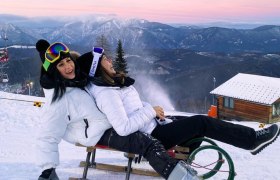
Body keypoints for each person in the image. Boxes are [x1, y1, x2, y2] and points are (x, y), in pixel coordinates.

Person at [35, 40, 199, 180]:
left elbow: (90, 64)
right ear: (54, 71)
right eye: (61, 65)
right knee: (147, 142)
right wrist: (47, 169)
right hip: (95, 133)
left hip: (108, 123)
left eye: (69, 61)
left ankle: (177, 166)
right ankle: (180, 176)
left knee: (151, 133)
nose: (68, 66)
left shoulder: (77, 79)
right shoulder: (58, 99)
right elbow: (47, 136)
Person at [76, 46, 280, 157]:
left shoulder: (110, 87)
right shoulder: (106, 93)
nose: (110, 60)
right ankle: (251, 140)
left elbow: (133, 110)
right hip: (151, 136)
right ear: (97, 68)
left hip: (152, 127)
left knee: (190, 123)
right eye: (105, 60)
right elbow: (123, 127)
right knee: (201, 122)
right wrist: (151, 111)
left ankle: (181, 160)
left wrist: (152, 110)